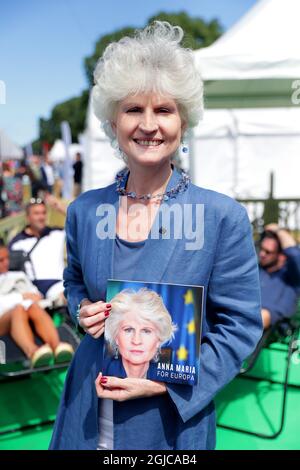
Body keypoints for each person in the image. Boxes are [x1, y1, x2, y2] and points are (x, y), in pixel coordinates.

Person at [49, 22, 262, 450]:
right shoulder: (85, 211)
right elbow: (74, 282)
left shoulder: (222, 217)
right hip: (87, 415)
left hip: (169, 426)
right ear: (114, 119)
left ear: (184, 119)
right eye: (134, 110)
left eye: (163, 110)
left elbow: (239, 326)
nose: (149, 125)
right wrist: (82, 308)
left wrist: (168, 385)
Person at [0, 240, 73, 367]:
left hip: (25, 310)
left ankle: (57, 347)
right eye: (1, 260)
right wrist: (21, 297)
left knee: (31, 306)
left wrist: (31, 299)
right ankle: (33, 352)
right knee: (19, 308)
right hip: (4, 318)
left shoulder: (18, 275)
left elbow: (36, 295)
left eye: (7, 258)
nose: (6, 263)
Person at [103, 288, 176, 379]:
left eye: (146, 331)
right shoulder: (101, 371)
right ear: (116, 336)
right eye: (128, 330)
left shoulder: (168, 378)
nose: (136, 341)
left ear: (159, 339)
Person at [9, 199, 66, 305]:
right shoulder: (17, 242)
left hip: (58, 284)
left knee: (70, 295)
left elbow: (82, 224)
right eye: (36, 213)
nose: (41, 217)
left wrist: (61, 208)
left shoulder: (57, 233)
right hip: (31, 287)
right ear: (27, 217)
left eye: (44, 213)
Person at [259, 223, 300, 329]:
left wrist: (278, 230)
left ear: (282, 255)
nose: (262, 254)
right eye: (261, 249)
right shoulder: (257, 270)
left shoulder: (292, 276)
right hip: (243, 323)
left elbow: (294, 253)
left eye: (268, 252)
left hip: (272, 333)